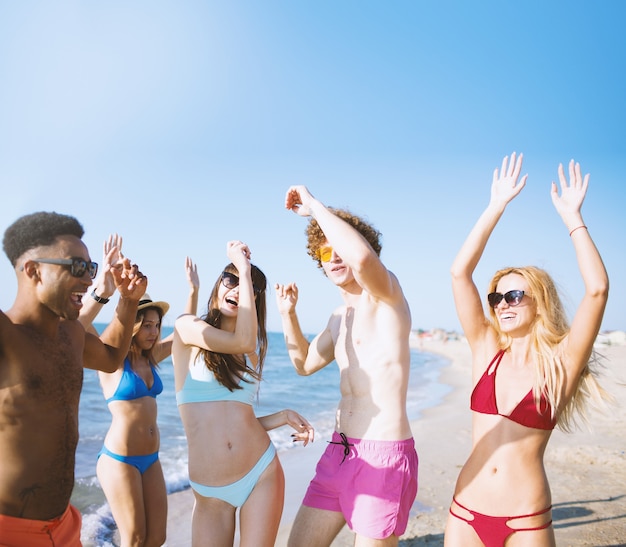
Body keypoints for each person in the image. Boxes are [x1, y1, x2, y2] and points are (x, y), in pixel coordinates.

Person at [444, 153, 610, 547]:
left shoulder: (561, 364)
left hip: (526, 518)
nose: (503, 303)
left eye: (515, 295)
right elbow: (458, 273)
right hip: (464, 511)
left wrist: (573, 218)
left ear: (540, 302)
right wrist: (495, 205)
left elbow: (597, 289)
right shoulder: (486, 350)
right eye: (497, 297)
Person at [275, 186, 418, 547]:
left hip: (383, 454)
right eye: (325, 251)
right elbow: (303, 365)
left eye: (340, 248)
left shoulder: (387, 297)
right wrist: (288, 315)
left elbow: (365, 261)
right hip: (338, 453)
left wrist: (314, 207)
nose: (335, 257)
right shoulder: (338, 318)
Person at [0, 211, 146, 547]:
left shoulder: (71, 334)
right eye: (77, 268)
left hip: (65, 526)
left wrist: (128, 301)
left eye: (90, 269)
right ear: (33, 271)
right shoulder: (6, 336)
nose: (88, 279)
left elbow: (111, 358)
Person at [172, 240, 314, 547]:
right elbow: (244, 339)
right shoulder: (187, 329)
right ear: (218, 284)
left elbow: (236, 421)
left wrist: (281, 416)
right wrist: (244, 268)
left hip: (260, 472)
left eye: (245, 284)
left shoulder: (248, 355)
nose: (236, 287)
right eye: (230, 279)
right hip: (210, 491)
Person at [79, 237, 200, 547]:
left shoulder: (151, 357)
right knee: (133, 539)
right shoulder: (112, 359)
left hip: (152, 458)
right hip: (120, 459)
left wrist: (192, 291)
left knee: (156, 539)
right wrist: (112, 282)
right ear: (131, 325)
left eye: (156, 325)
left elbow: (183, 331)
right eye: (146, 325)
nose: (153, 332)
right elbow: (79, 323)